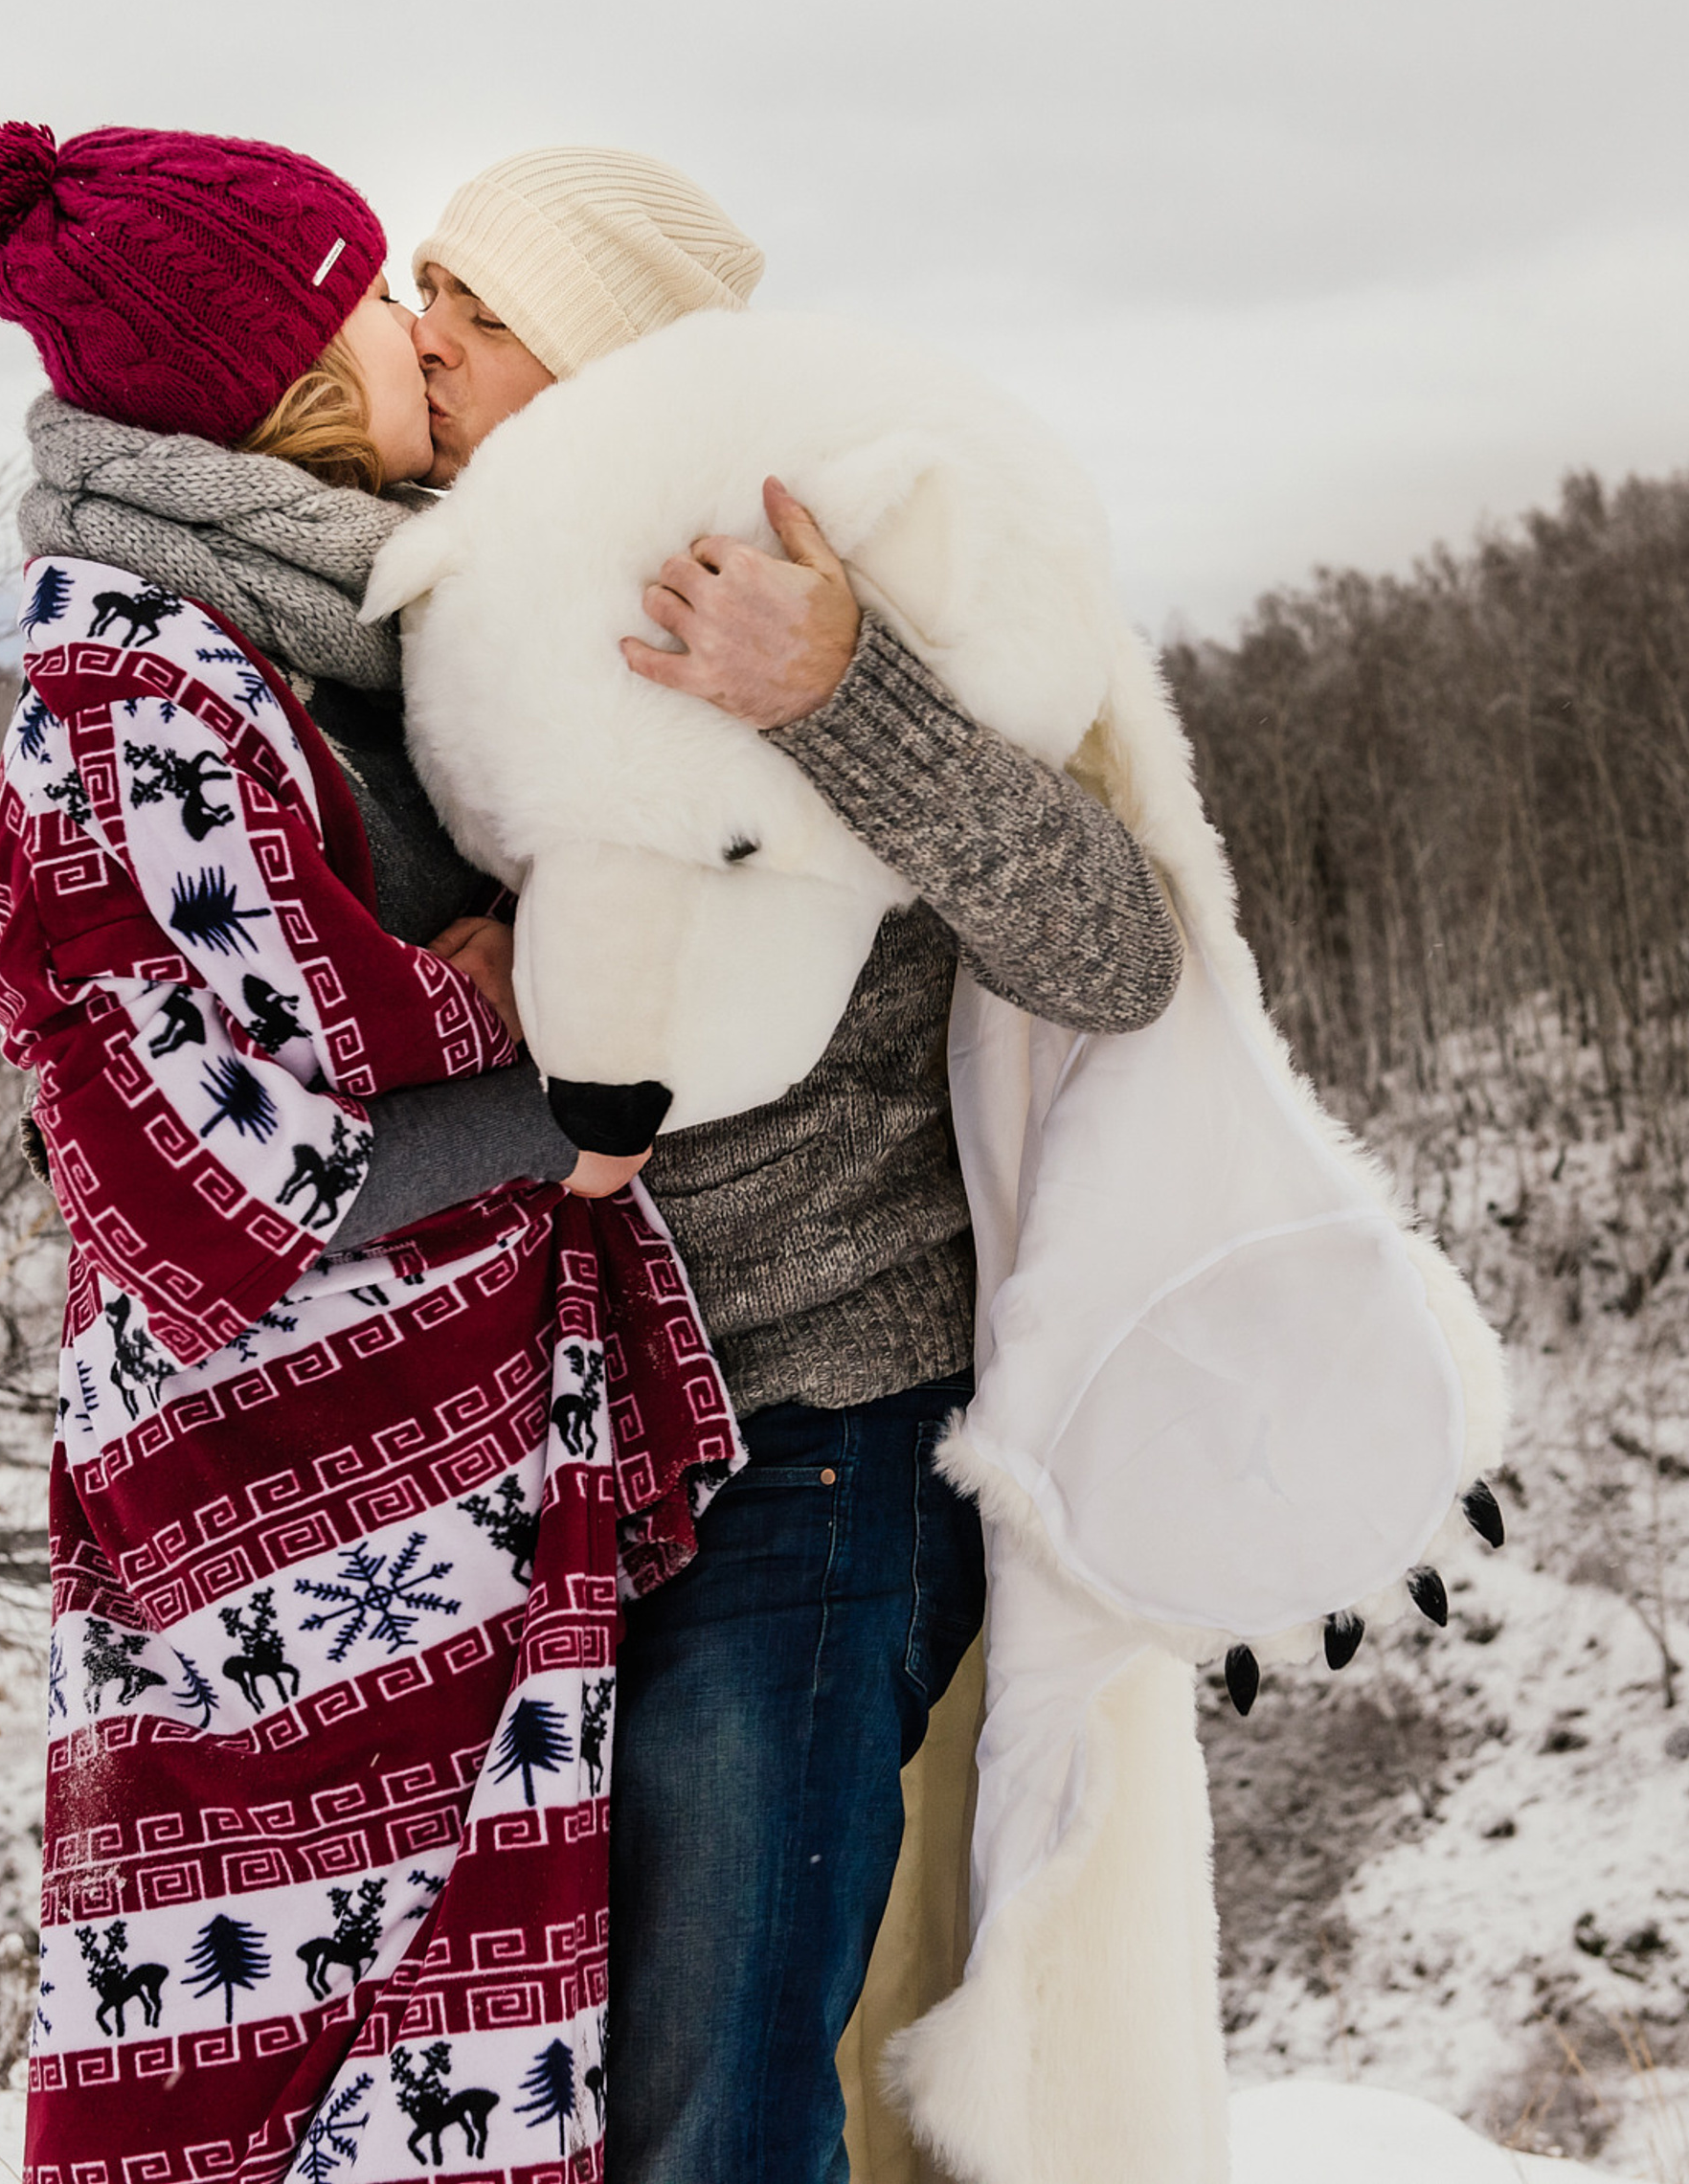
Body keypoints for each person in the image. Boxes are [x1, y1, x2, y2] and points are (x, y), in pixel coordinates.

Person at [0, 122, 736, 2184]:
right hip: (284, 1506)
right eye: (375, 290)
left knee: (428, 2040)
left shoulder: (315, 622)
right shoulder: (141, 689)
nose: (413, 324)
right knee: (274, 2057)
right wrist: (548, 1085)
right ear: (276, 365)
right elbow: (213, 1172)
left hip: (430, 1488)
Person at [398, 146, 1186, 2184]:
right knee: (549, 2104)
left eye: (479, 309)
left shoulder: (843, 588)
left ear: (602, 366)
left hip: (815, 1441)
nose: (424, 339)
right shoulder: (456, 627)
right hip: (546, 1471)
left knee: (715, 2107)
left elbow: (1115, 949)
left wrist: (842, 694)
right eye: (421, 292)